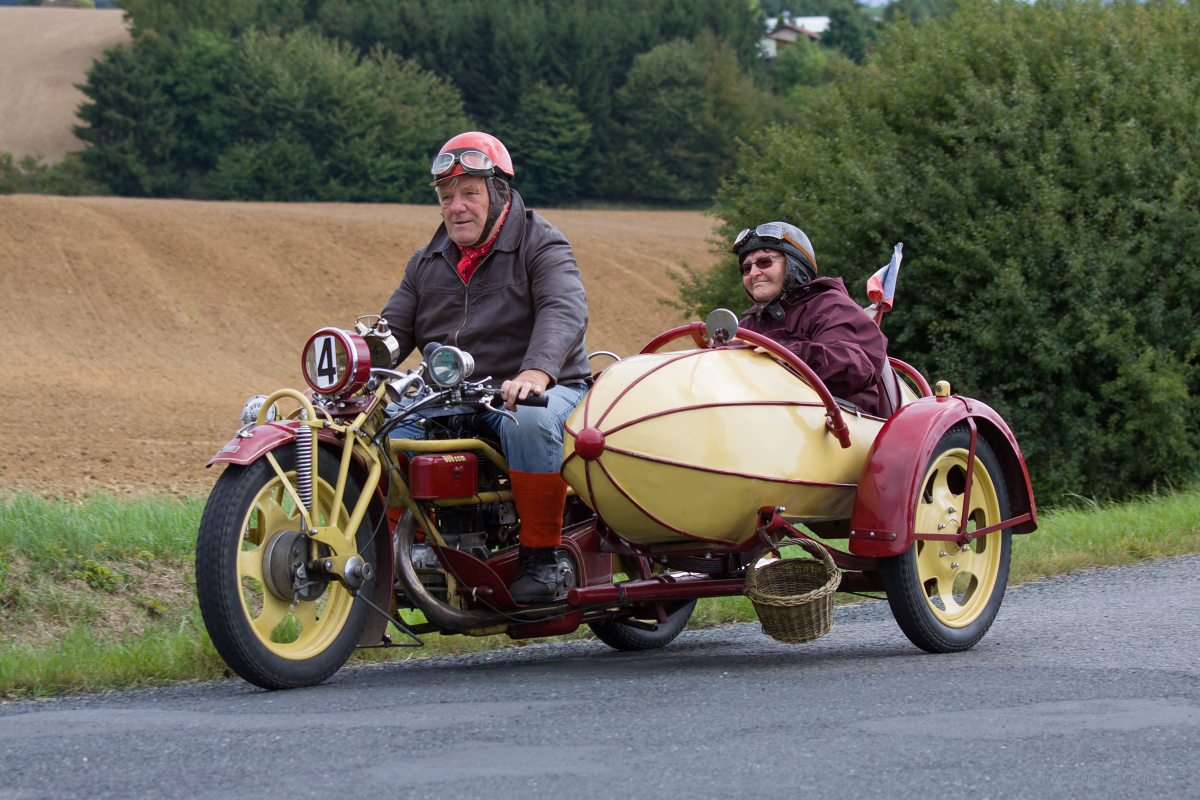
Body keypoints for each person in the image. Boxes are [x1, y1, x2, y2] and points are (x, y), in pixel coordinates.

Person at [380, 131, 590, 603]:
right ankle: (399, 558)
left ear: (498, 194)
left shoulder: (541, 242)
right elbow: (391, 332)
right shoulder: (427, 262)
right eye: (447, 196)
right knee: (382, 431)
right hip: (450, 396)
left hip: (545, 388)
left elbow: (565, 310)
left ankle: (542, 559)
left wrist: (536, 371)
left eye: (470, 193)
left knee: (530, 419)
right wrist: (357, 360)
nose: (456, 206)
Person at [733, 222, 890, 416]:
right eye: (746, 269)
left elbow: (855, 367)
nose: (754, 273)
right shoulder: (746, 327)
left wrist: (786, 354)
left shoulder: (833, 307)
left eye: (764, 262)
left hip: (840, 424)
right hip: (764, 419)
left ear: (794, 265)